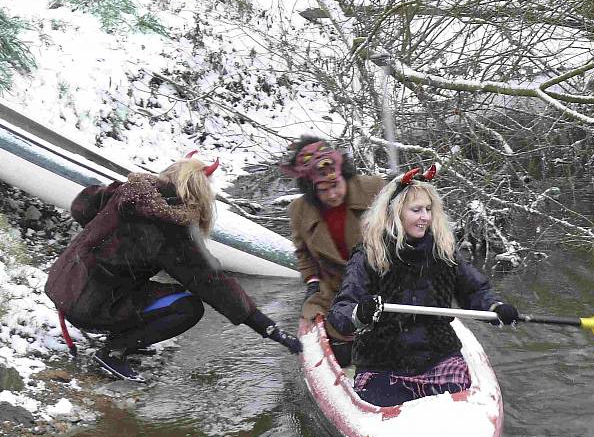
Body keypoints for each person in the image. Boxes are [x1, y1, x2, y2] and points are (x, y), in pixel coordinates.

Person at [45, 151, 301, 383]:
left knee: (159, 288)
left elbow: (82, 205)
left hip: (63, 285)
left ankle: (125, 335)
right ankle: (113, 352)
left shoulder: (125, 191)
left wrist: (105, 241)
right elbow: (212, 282)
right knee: (187, 306)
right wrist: (270, 329)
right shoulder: (170, 229)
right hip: (88, 306)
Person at [327, 166, 519, 406]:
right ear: (395, 213)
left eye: (428, 210)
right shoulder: (369, 253)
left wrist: (495, 306)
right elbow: (341, 310)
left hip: (438, 356)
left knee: (458, 407)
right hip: (383, 361)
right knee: (380, 405)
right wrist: (360, 313)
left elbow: (474, 290)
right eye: (416, 210)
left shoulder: (444, 251)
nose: (425, 217)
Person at [279, 136, 385, 366]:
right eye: (323, 190)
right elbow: (303, 253)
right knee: (343, 351)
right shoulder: (299, 210)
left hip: (384, 284)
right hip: (334, 291)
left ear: (343, 174)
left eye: (335, 185)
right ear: (311, 189)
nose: (332, 194)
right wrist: (312, 282)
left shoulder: (375, 189)